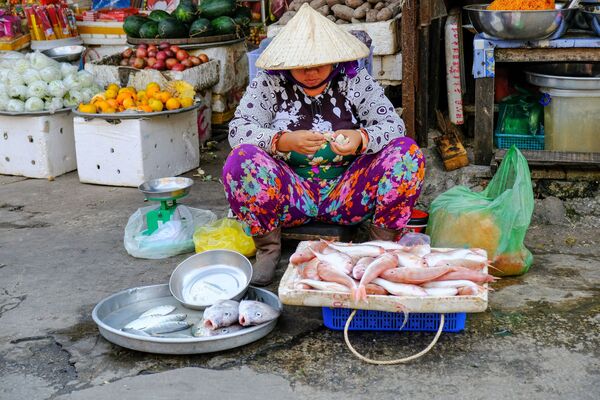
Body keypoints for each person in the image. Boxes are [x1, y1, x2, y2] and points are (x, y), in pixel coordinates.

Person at [222, 4, 425, 286]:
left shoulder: (353, 78)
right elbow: (238, 129)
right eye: (302, 66)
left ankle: (383, 247)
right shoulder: (270, 82)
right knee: (241, 158)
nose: (311, 72)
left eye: (319, 64)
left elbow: (393, 126)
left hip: (348, 192)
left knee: (407, 153)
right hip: (289, 195)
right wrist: (281, 140)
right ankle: (268, 249)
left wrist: (360, 139)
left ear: (334, 59)